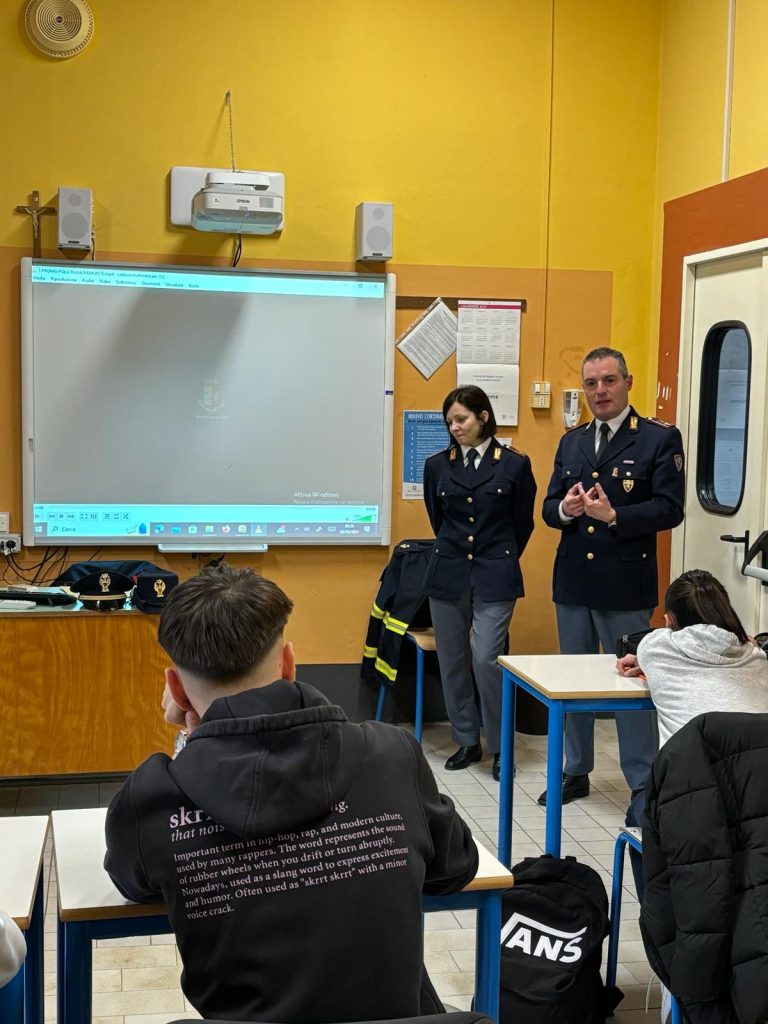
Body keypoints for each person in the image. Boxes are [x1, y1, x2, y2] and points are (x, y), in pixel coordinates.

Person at [104, 564, 478, 1024]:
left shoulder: (153, 796)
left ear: (176, 690)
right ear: (288, 663)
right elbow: (455, 868)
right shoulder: (391, 753)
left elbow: (134, 884)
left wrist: (191, 745)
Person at [541, 347, 685, 824]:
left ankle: (642, 783)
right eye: (591, 383)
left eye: (608, 380)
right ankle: (575, 770)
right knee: (574, 682)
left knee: (629, 685)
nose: (599, 391)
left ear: (628, 382)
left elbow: (670, 508)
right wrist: (566, 510)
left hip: (624, 583)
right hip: (574, 583)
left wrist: (615, 515)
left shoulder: (658, 438)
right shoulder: (573, 441)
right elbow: (548, 508)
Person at [423, 385, 536, 780]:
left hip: (494, 572)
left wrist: (497, 556)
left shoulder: (514, 464)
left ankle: (501, 746)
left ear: (483, 417)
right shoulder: (438, 466)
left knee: (487, 658)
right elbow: (437, 519)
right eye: (450, 422)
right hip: (448, 572)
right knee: (451, 659)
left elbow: (522, 524)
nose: (455, 427)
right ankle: (467, 740)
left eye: (462, 419)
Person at [617, 568, 768, 745]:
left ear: (669, 621)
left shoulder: (655, 647)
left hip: (691, 762)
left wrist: (640, 660)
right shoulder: (756, 656)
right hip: (758, 760)